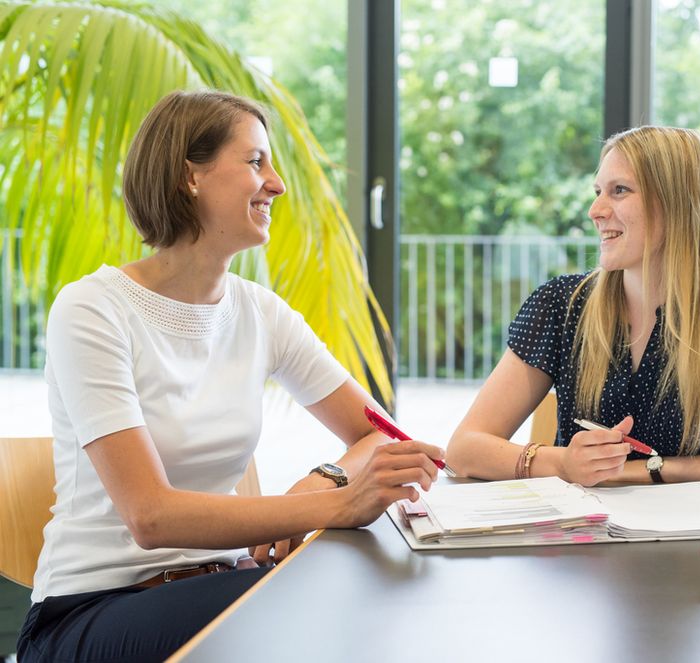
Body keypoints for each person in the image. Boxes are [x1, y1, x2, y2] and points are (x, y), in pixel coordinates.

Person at [16, 90, 444, 663]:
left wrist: (323, 479)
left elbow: (381, 436)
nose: (277, 183)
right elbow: (151, 516)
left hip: (214, 588)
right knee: (305, 603)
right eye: (255, 162)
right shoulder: (92, 310)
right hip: (91, 613)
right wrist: (336, 507)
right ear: (190, 176)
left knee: (332, 590)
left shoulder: (260, 312)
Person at [448, 126, 700, 490]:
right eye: (598, 191)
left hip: (697, 541)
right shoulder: (561, 304)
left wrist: (651, 470)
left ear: (680, 203)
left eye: (619, 191)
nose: (595, 210)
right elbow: (465, 448)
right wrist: (562, 464)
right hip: (580, 542)